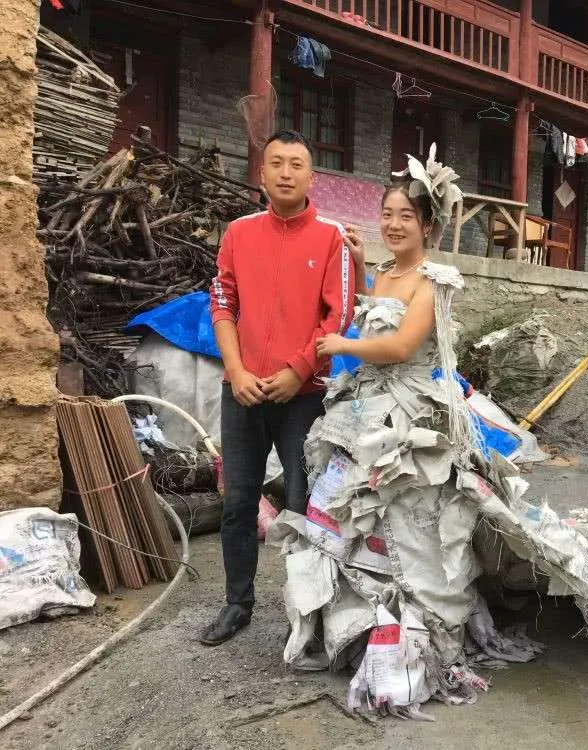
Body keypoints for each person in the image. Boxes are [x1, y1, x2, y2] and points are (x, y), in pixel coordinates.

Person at [268, 145, 539, 716]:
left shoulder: (434, 279)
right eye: (386, 214)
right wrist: (362, 262)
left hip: (408, 411)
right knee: (347, 512)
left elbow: (399, 345)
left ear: (429, 224)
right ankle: (355, 625)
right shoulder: (387, 272)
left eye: (405, 217)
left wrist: (342, 345)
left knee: (409, 521)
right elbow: (373, 310)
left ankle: (409, 638)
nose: (393, 224)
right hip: (363, 408)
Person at [201, 130, 357, 646]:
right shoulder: (239, 233)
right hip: (242, 390)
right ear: (261, 174)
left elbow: (340, 313)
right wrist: (237, 370)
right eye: (276, 163)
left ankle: (308, 611)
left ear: (313, 177)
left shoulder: (331, 237)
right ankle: (237, 602)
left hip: (303, 394)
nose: (286, 172)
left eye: (297, 164)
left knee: (303, 500)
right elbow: (223, 302)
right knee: (238, 501)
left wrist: (297, 369)